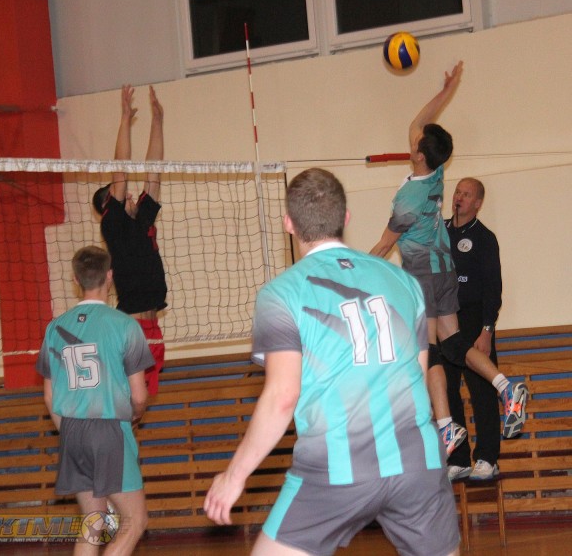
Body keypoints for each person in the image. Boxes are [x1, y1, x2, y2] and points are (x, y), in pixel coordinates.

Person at [204, 168, 460, 556]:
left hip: (336, 466)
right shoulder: (405, 282)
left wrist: (234, 475)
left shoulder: (281, 294)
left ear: (289, 224)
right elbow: (418, 376)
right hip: (416, 462)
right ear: (346, 218)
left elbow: (282, 396)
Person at [370, 61, 528, 451]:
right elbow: (420, 123)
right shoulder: (437, 172)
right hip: (445, 270)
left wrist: (353, 269)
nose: (413, 139)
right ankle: (506, 387)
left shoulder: (408, 199)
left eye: (416, 142)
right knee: (454, 343)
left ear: (418, 154)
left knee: (427, 350)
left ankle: (445, 424)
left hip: (424, 276)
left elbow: (384, 245)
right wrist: (446, 89)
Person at [36, 246, 152, 555]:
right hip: (109, 430)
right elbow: (139, 396)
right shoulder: (126, 326)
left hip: (72, 430)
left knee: (93, 521)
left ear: (76, 279)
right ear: (110, 276)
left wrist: (69, 431)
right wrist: (135, 415)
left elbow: (49, 396)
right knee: (135, 521)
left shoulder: (54, 328)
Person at [92, 85, 167, 396]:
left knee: (142, 405)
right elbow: (120, 169)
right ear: (109, 203)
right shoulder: (114, 225)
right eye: (120, 193)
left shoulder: (143, 218)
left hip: (153, 329)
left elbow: (154, 171)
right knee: (131, 403)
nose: (130, 194)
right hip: (133, 330)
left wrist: (158, 121)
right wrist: (124, 119)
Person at [444, 178, 503, 481]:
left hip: (474, 321)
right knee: (447, 390)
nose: (459, 197)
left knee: (482, 391)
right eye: (458, 192)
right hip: (445, 320)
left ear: (478, 203)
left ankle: (487, 458)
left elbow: (493, 288)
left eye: (467, 195)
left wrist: (487, 329)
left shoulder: (484, 237)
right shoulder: (438, 232)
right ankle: (458, 458)